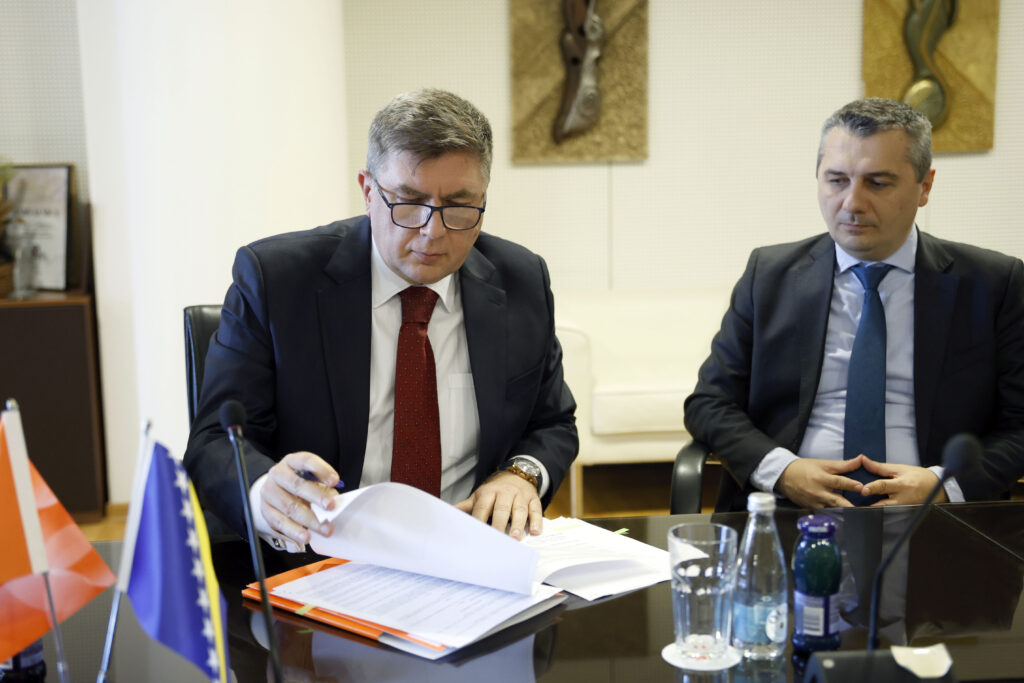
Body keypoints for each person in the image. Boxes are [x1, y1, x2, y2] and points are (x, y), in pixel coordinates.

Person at [184, 89, 578, 550]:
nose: (432, 231)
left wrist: (521, 474)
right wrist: (265, 495)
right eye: (409, 201)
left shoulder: (521, 281)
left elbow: (553, 422)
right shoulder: (277, 281)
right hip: (321, 553)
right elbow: (215, 442)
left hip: (468, 550)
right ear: (368, 191)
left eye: (458, 204)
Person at [685, 97, 1024, 512]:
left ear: (925, 187)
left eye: (877, 183)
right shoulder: (770, 275)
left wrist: (943, 485)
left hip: (935, 513)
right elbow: (709, 403)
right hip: (790, 508)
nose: (852, 203)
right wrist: (783, 471)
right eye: (836, 180)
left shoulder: (993, 283)